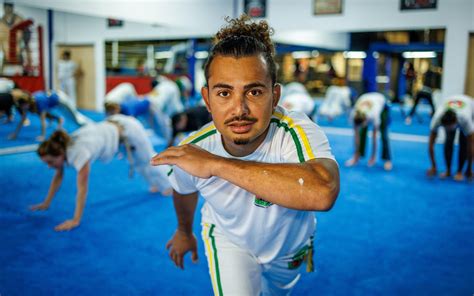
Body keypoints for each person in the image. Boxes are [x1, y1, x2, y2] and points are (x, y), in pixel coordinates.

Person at [151, 15, 340, 295]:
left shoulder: (295, 131)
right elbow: (183, 188)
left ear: (274, 96)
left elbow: (322, 191)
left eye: (253, 91)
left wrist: (216, 165)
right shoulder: (195, 149)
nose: (239, 109)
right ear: (207, 99)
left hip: (289, 247)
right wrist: (183, 230)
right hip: (228, 240)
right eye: (224, 93)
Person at [31, 122, 120, 231]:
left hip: (113, 134)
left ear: (61, 154)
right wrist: (46, 202)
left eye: (51, 162)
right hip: (100, 129)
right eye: (47, 163)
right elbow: (58, 176)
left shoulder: (78, 154)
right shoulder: (61, 147)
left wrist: (76, 220)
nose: (49, 167)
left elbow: (82, 189)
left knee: (142, 162)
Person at [106, 113, 173, 194]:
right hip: (128, 138)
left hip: (136, 138)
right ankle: (155, 184)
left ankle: (169, 184)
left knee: (149, 162)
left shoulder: (126, 123)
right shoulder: (111, 121)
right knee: (139, 165)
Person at [427, 94, 473, 181]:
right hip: (451, 101)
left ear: (456, 121)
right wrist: (433, 166)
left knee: (464, 142)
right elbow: (430, 145)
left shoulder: (465, 118)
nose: (449, 129)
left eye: (451, 127)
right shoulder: (437, 119)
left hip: (470, 105)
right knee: (448, 140)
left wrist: (469, 169)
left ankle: (460, 171)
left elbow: (471, 145)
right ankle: (448, 170)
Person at [345, 92, 393, 171]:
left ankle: (387, 160)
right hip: (366, 98)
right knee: (361, 133)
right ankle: (357, 157)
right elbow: (356, 136)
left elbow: (374, 137)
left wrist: (373, 158)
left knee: (384, 134)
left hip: (382, 103)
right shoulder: (353, 114)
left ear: (366, 120)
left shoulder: (374, 113)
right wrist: (355, 156)